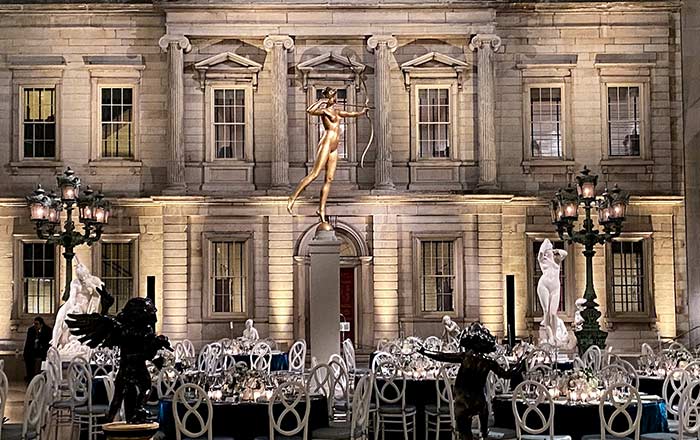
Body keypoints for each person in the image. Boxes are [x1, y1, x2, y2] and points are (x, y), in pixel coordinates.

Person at [420, 322, 525, 440]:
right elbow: (506, 374)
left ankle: (473, 435)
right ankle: (483, 433)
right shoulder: (488, 361)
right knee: (483, 414)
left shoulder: (465, 356)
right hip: (478, 400)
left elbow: (443, 356)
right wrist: (520, 364)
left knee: (464, 430)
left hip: (462, 399)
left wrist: (425, 352)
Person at [287, 87, 369, 224]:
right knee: (314, 173)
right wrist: (322, 101)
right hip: (326, 143)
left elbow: (351, 114)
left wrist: (362, 112)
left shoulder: (337, 112)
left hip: (334, 147)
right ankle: (293, 197)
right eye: (332, 95)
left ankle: (321, 209)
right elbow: (309, 110)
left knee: (329, 178)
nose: (335, 98)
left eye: (335, 95)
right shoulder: (324, 111)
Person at [536, 239, 568, 346]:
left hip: (555, 287)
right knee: (546, 312)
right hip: (544, 285)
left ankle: (554, 336)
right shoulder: (542, 259)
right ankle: (549, 336)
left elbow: (565, 253)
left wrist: (554, 250)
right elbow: (541, 251)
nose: (549, 252)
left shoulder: (557, 259)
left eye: (550, 250)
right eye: (547, 251)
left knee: (553, 313)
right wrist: (545, 246)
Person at [23, 316, 52, 383]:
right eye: (34, 324)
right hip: (33, 351)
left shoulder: (48, 330)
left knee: (44, 361)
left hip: (43, 351)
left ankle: (43, 378)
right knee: (28, 358)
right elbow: (28, 343)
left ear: (41, 324)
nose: (35, 326)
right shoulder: (31, 330)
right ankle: (30, 378)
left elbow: (48, 343)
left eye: (37, 324)